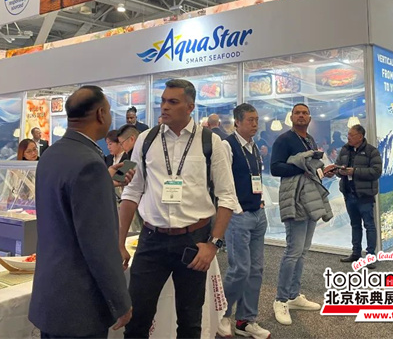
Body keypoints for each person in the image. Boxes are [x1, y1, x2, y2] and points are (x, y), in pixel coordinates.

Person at [119, 79, 239, 339]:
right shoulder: (146, 139)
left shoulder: (211, 142)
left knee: (189, 321)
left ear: (190, 107)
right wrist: (119, 241)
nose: (165, 107)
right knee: (137, 319)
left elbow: (227, 197)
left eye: (173, 102)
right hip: (151, 240)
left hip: (193, 241)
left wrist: (213, 245)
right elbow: (131, 191)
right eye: (163, 101)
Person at [29, 86, 132, 338]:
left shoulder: (51, 154)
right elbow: (98, 245)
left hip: (50, 296)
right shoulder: (89, 163)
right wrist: (120, 301)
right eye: (109, 110)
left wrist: (104, 181)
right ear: (100, 114)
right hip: (79, 305)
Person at [270, 103, 330, 325]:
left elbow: (312, 167)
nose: (301, 116)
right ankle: (281, 299)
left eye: (305, 113)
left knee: (303, 251)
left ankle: (294, 295)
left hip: (310, 198)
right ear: (291, 117)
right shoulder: (284, 140)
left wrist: (323, 171)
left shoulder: (310, 140)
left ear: (310, 118)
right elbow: (275, 168)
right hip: (294, 199)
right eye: (298, 113)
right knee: (293, 251)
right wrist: (303, 168)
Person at [218, 104, 270, 339]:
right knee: (239, 269)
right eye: (250, 120)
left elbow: (255, 178)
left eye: (256, 119)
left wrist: (261, 202)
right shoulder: (227, 146)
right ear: (237, 122)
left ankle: (246, 320)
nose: (255, 124)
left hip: (258, 214)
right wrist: (236, 209)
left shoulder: (254, 146)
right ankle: (222, 314)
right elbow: (222, 182)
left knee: (256, 270)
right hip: (238, 216)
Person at [330, 125, 382, 266]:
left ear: (360, 136)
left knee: (369, 225)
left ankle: (371, 256)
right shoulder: (344, 150)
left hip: (365, 196)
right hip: (349, 194)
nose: (348, 137)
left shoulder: (372, 151)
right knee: (355, 225)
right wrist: (340, 171)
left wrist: (355, 171)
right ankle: (356, 253)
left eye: (351, 135)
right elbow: (336, 167)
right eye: (348, 135)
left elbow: (376, 172)